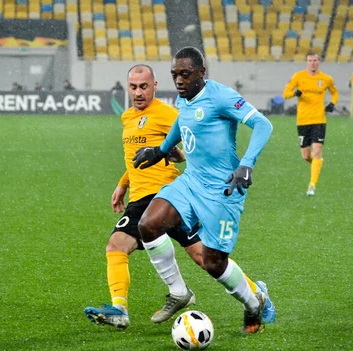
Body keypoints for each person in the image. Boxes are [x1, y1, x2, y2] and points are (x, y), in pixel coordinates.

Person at [84, 64, 275, 330]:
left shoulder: (169, 111)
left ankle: (129, 305)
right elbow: (137, 157)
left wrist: (243, 163)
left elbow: (190, 144)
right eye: (133, 87)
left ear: (153, 86)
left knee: (205, 258)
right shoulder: (128, 117)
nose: (138, 92)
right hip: (162, 193)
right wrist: (123, 183)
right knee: (201, 256)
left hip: (171, 190)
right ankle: (252, 291)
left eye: (143, 86)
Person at [282, 50, 338, 196]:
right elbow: (285, 93)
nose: (313, 63)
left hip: (319, 120)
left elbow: (335, 92)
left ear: (319, 62)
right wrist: (295, 93)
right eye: (310, 61)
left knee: (317, 151)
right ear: (307, 62)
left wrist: (332, 104)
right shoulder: (298, 77)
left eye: (315, 60)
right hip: (303, 121)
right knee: (307, 156)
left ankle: (311, 186)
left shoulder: (326, 79)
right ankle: (317, 163)